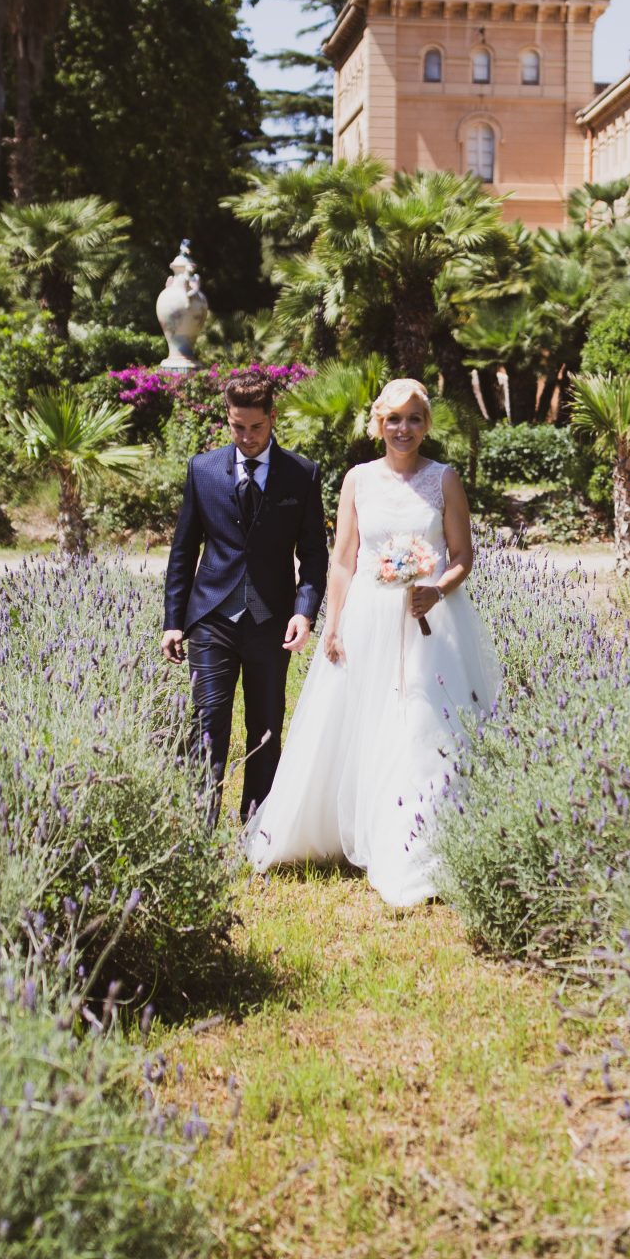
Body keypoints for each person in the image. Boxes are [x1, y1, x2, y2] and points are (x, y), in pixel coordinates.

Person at [245, 378, 502, 906]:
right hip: (366, 615)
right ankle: (343, 827)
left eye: (414, 419)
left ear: (426, 425)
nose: (403, 429)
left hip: (430, 622)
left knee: (421, 721)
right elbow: (343, 560)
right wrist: (332, 623)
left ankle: (416, 843)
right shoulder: (357, 480)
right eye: (394, 419)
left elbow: (462, 556)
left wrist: (436, 589)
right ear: (379, 424)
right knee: (359, 720)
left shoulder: (445, 479)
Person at [160, 376, 328, 826]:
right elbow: (183, 550)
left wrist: (304, 612)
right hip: (212, 617)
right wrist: (173, 620)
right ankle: (200, 827)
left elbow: (314, 554)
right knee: (208, 722)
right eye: (238, 427)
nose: (247, 437)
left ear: (272, 418)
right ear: (228, 420)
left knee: (266, 726)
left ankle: (256, 827)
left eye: (256, 427)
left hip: (271, 620)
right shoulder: (202, 469)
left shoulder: (302, 474)